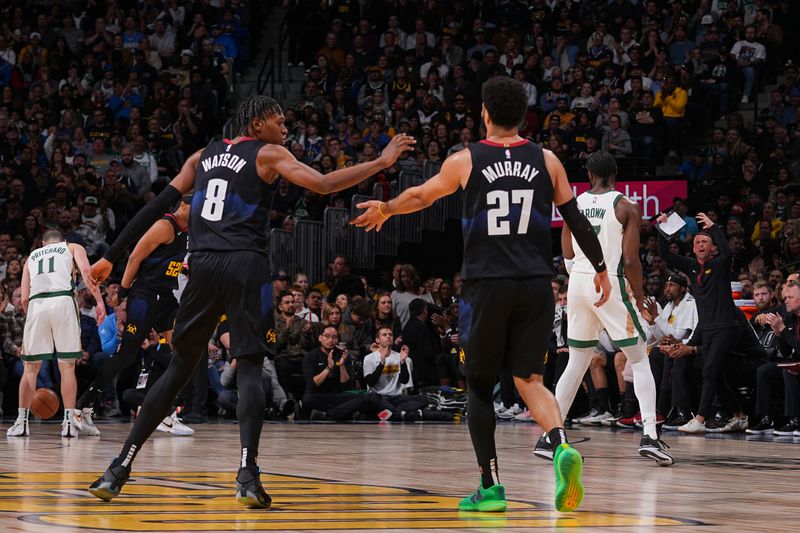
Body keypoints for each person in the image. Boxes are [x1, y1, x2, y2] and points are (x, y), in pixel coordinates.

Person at [87, 95, 414, 509]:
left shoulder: (201, 156)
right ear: (256, 124)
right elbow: (325, 183)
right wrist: (383, 162)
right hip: (246, 264)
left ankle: (118, 468)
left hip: (202, 265)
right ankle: (247, 474)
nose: (285, 129)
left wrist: (109, 257)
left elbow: (155, 206)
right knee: (251, 366)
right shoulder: (268, 153)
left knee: (179, 369)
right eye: (279, 121)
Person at [353, 77, 612, 513]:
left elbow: (421, 195)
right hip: (535, 284)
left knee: (478, 384)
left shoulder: (465, 159)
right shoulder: (547, 160)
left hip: (485, 285)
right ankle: (562, 445)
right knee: (529, 379)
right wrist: (601, 269)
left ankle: (490, 487)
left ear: (485, 114)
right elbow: (576, 220)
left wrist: (387, 208)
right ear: (524, 116)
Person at [541, 151, 673, 466]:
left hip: (579, 283)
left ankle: (550, 437)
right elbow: (630, 261)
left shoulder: (573, 204)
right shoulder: (626, 206)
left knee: (578, 360)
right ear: (615, 175)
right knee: (640, 358)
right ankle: (650, 436)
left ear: (588, 175)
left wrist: (577, 274)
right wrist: (639, 299)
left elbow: (566, 248)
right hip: (609, 282)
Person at [76, 197, 192, 437]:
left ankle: (165, 413)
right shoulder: (165, 226)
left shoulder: (187, 231)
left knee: (174, 353)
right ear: (183, 205)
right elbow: (135, 258)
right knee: (125, 355)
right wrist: (124, 293)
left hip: (165, 296)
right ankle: (83, 406)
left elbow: (165, 261)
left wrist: (183, 268)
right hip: (144, 297)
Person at [7, 229, 105, 438]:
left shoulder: (31, 257)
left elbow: (24, 298)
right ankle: (69, 423)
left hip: (37, 304)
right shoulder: (72, 247)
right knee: (67, 365)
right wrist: (100, 303)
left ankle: (21, 422)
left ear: (43, 244)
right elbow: (88, 273)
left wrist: (34, 317)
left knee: (30, 367)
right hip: (63, 301)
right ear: (62, 241)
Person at [656, 210, 743, 433]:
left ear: (712, 247)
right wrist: (663, 231)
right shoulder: (692, 267)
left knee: (710, 370)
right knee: (713, 373)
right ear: (693, 248)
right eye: (698, 241)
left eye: (706, 241)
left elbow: (727, 250)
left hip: (725, 327)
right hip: (706, 329)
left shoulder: (721, 263)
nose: (701, 244)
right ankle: (740, 416)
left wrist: (713, 227)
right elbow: (666, 255)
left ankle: (700, 420)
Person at [362, 326, 428, 420]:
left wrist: (402, 362)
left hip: (396, 398)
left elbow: (404, 381)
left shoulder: (399, 356)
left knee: (423, 399)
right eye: (384, 335)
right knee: (371, 397)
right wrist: (382, 363)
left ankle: (391, 412)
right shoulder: (369, 358)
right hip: (379, 397)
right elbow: (371, 382)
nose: (388, 336)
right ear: (377, 340)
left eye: (390, 335)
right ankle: (400, 413)